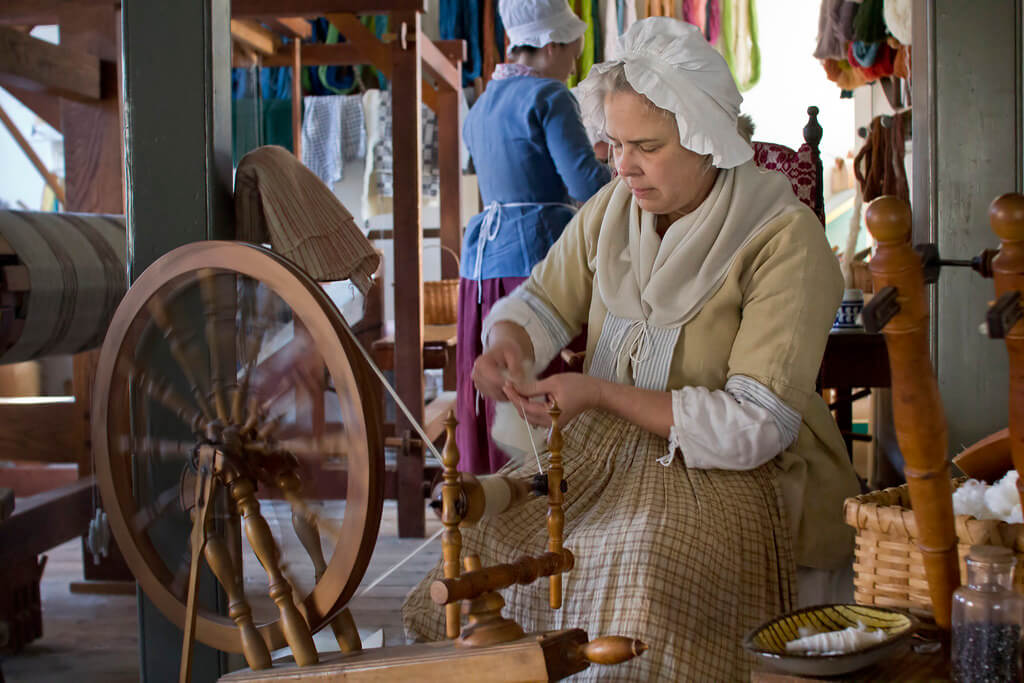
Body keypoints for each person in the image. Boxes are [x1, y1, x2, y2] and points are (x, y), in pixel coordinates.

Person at [406, 17, 861, 680]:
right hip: (604, 461)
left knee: (641, 555)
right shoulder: (615, 208)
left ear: (707, 138)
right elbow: (543, 301)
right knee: (479, 540)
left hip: (739, 476)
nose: (622, 166)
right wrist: (508, 341)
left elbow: (754, 426)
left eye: (646, 145)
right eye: (615, 144)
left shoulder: (783, 240)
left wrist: (599, 392)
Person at [456, 0, 612, 475]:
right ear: (553, 44)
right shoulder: (549, 97)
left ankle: (490, 499)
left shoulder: (480, 106)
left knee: (492, 383)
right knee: (546, 389)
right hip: (537, 260)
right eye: (572, 53)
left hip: (481, 269)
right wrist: (632, 170)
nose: (572, 67)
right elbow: (588, 184)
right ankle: (554, 509)